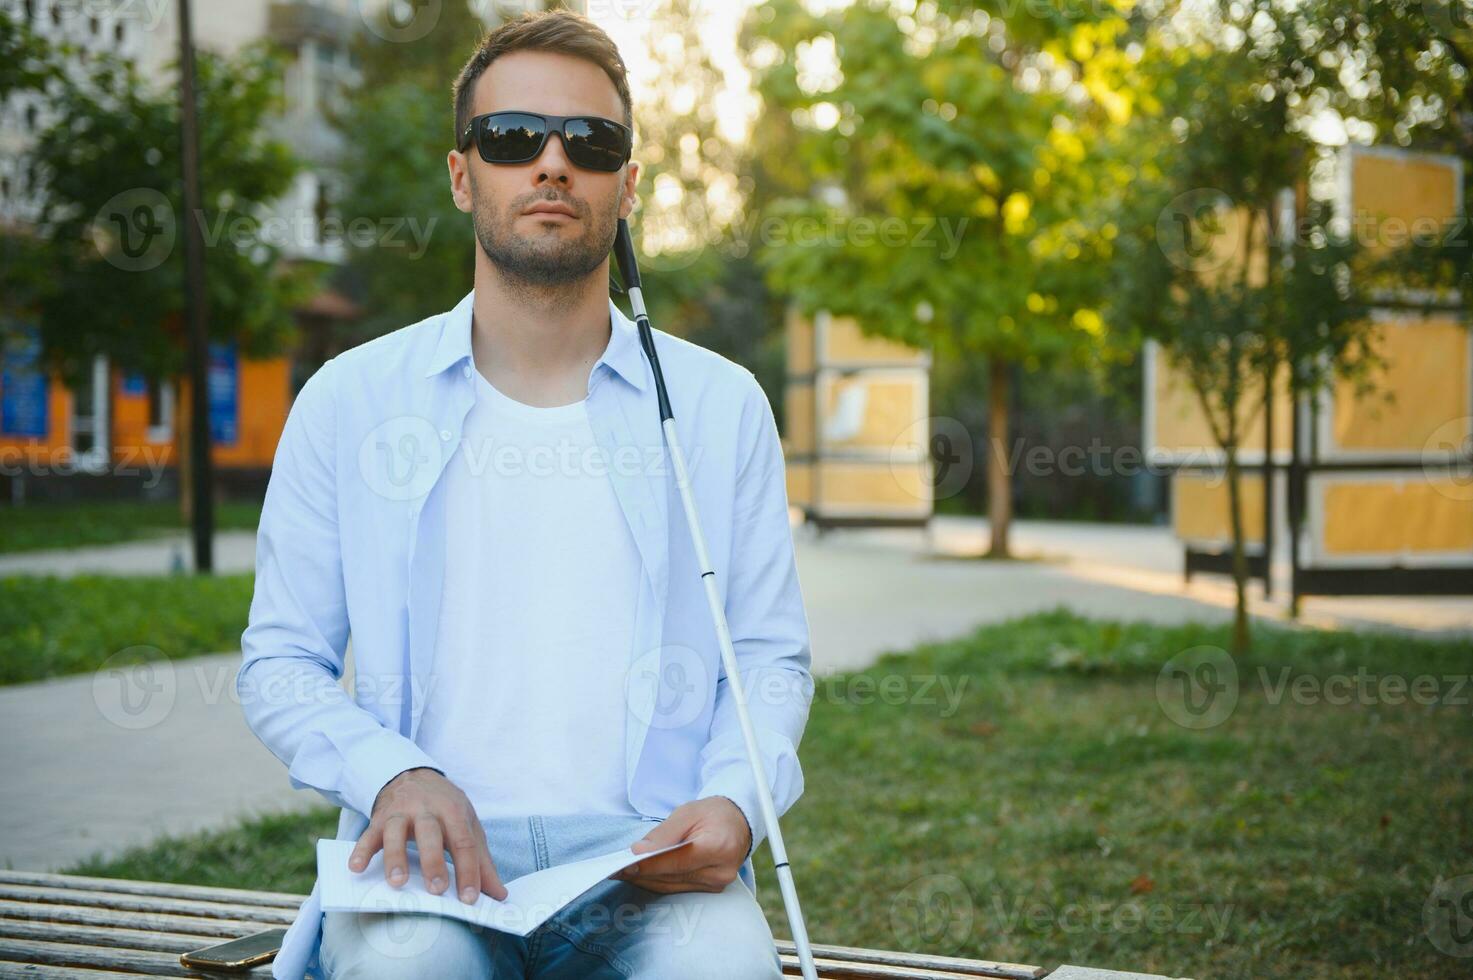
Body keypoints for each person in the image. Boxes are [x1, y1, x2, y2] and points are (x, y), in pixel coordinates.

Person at [236, 9, 814, 979]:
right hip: (426, 870)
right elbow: (279, 659)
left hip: (651, 864)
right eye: (513, 138)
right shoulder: (350, 398)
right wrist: (394, 772)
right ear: (463, 174)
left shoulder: (720, 405)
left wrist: (737, 799)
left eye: (591, 144)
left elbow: (765, 654)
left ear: (627, 185)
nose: (553, 163)